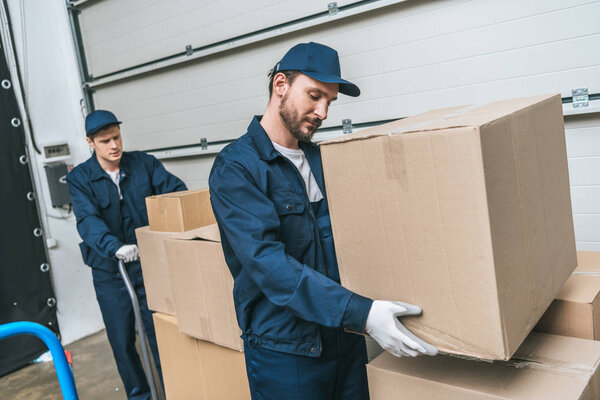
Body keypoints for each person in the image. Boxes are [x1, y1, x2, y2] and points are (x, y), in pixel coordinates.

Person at [209, 42, 437, 400]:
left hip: (343, 338)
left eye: (330, 101)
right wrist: (362, 313)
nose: (323, 112)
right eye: (315, 96)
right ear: (280, 84)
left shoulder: (324, 160)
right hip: (287, 351)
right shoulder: (237, 168)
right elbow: (269, 265)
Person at [67, 110, 187, 400]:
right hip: (111, 271)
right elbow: (87, 221)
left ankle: (177, 390)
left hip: (148, 265)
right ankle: (140, 395)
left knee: (161, 332)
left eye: (117, 137)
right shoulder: (80, 178)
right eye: (105, 140)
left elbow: (176, 193)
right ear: (90, 142)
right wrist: (114, 247)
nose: (114, 146)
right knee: (122, 341)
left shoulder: (143, 164)